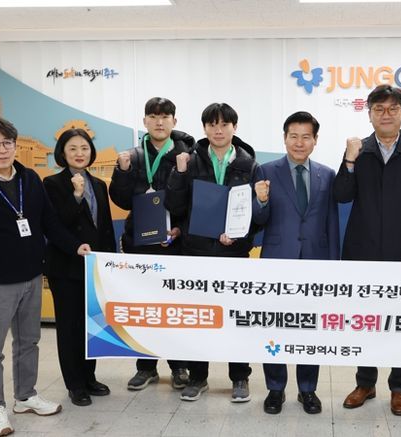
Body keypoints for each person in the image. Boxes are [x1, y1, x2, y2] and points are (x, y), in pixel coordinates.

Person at [0, 117, 90, 437]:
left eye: (7, 143)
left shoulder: (30, 178)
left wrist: (74, 245)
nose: (2, 149)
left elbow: (49, 222)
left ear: (15, 145)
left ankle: (25, 396)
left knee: (29, 342)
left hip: (31, 276)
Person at [333, 84, 401, 415]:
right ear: (370, 114)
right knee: (365, 320)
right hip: (362, 251)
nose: (386, 114)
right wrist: (349, 159)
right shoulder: (359, 150)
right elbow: (341, 195)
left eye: (393, 108)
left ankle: (399, 387)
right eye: (379, 109)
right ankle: (365, 383)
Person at [166, 102, 259, 402]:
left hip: (234, 254)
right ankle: (198, 376)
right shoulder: (190, 161)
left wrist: (239, 236)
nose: (218, 130)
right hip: (196, 252)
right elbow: (175, 207)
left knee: (236, 318)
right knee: (199, 318)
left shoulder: (249, 164)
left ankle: (240, 377)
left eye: (224, 124)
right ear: (204, 128)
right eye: (212, 124)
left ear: (235, 127)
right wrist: (179, 173)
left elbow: (255, 214)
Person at [252, 111, 339, 415]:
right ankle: (275, 389)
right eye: (293, 136)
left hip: (316, 262)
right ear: (284, 138)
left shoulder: (327, 174)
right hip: (277, 262)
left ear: (315, 140)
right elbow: (258, 220)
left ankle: (307, 389)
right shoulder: (265, 171)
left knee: (310, 328)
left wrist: (333, 266)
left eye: (306, 136)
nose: (299, 142)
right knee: (275, 326)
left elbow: (331, 222)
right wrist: (261, 201)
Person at [109, 97, 193, 392]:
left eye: (165, 116)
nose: (159, 122)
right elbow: (121, 200)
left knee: (174, 308)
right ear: (144, 121)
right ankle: (145, 367)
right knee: (142, 307)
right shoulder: (132, 156)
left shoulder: (187, 156)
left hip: (174, 243)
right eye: (153, 116)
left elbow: (193, 200)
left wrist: (180, 228)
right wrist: (122, 171)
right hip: (139, 243)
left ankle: (179, 366)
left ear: (174, 121)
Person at [44, 128, 116, 407]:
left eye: (84, 148)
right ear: (62, 153)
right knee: (70, 327)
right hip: (66, 267)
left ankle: (89, 377)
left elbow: (105, 227)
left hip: (94, 267)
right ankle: (74, 384)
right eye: (72, 148)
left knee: (92, 326)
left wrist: (110, 262)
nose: (79, 153)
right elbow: (54, 224)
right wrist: (75, 196)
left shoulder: (98, 184)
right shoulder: (52, 183)